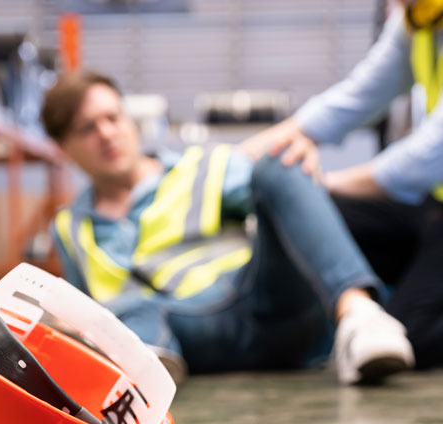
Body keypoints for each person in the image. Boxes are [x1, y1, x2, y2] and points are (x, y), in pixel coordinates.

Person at [41, 70, 414, 385]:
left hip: (263, 299)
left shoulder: (204, 167)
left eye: (113, 118)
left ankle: (359, 316)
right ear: (63, 147)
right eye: (88, 128)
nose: (107, 134)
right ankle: (147, 380)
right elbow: (83, 311)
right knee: (131, 311)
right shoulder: (69, 228)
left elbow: (285, 192)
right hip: (182, 337)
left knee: (282, 160)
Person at [240, 0, 443, 370]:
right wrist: (231, 161)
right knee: (317, 224)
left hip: (430, 195)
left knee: (412, 336)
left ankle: (367, 317)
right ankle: (356, 315)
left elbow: (427, 159)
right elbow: (352, 100)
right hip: (433, 210)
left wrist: (318, 184)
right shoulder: (419, 18)